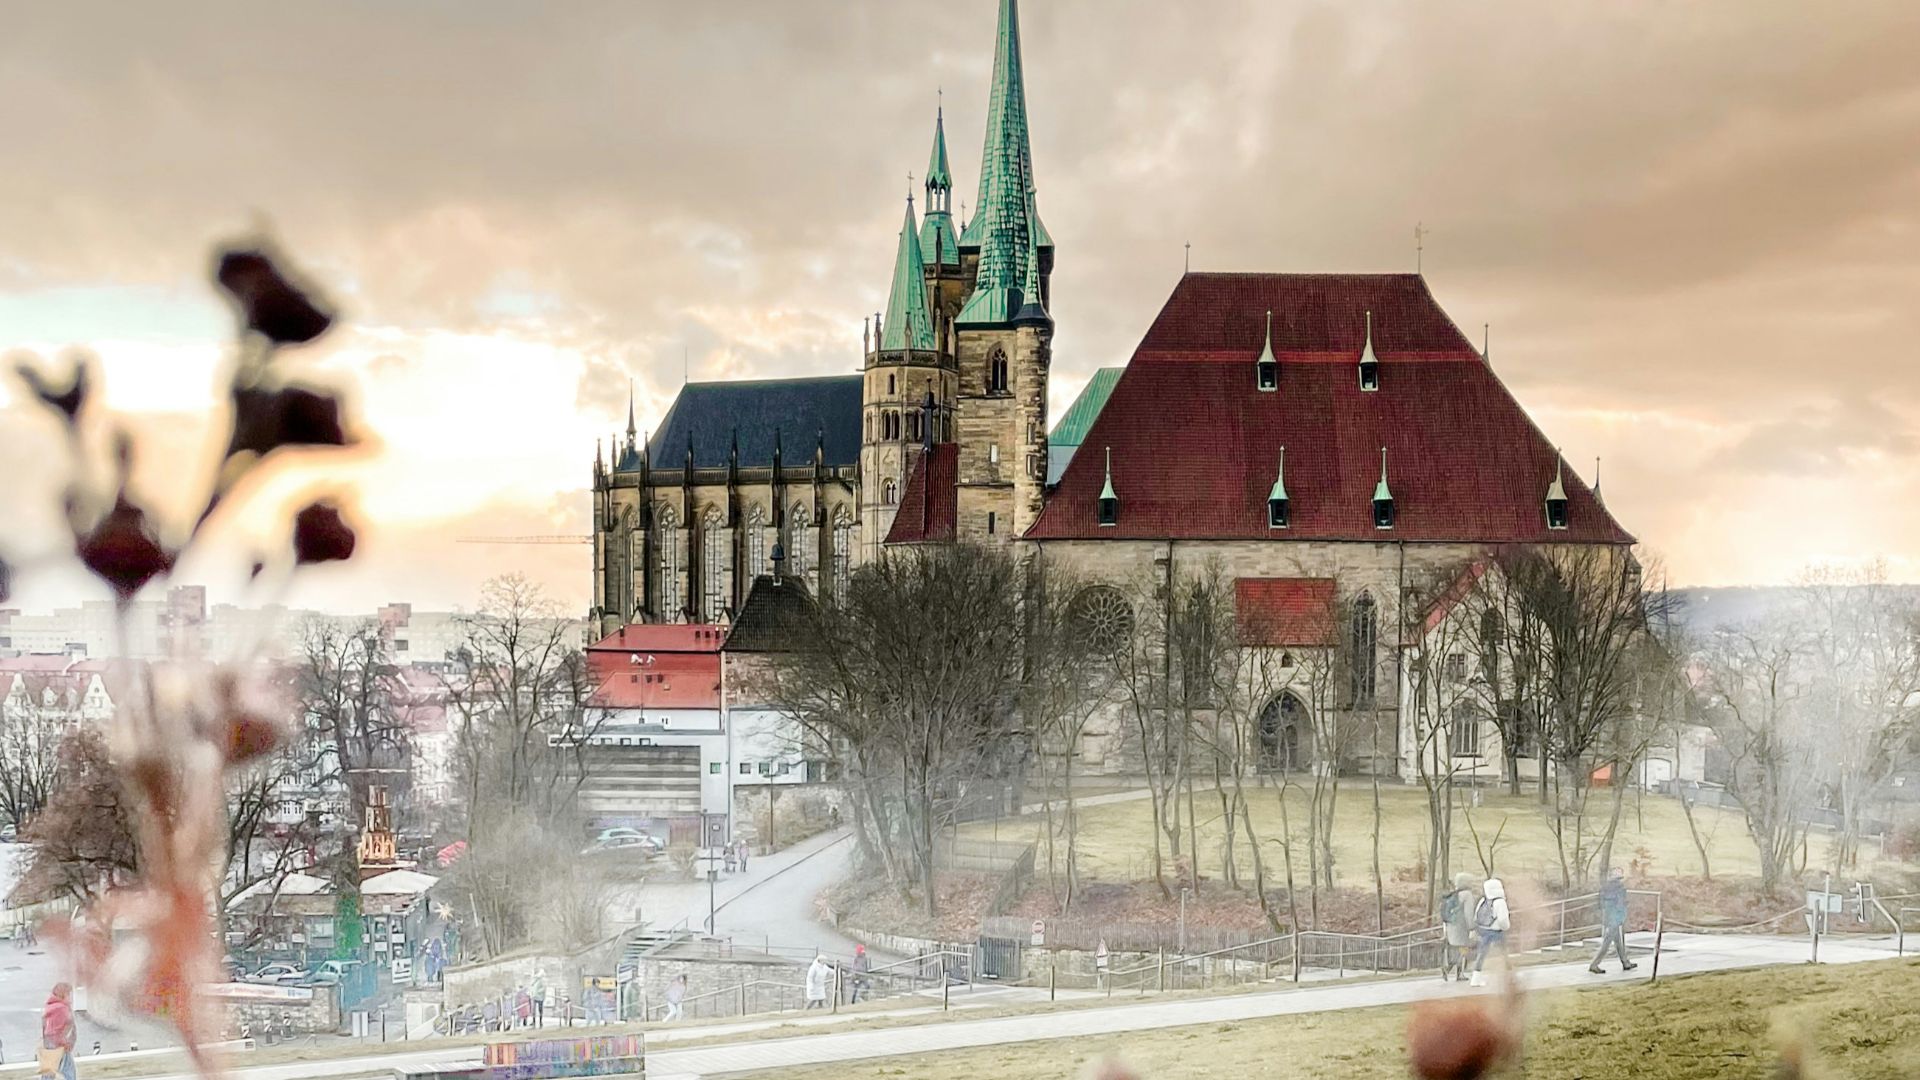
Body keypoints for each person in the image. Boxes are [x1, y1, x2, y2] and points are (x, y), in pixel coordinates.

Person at [1589, 867, 1638, 974]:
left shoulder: (1605, 887)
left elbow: (1601, 904)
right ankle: (1594, 964)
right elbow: (1620, 905)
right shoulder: (1620, 888)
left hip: (1608, 918)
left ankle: (1625, 962)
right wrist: (1621, 918)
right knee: (1607, 943)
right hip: (1615, 919)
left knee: (1618, 942)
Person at [1468, 877, 1511, 987]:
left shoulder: (1483, 900)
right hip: (1496, 931)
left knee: (1482, 954)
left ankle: (1476, 978)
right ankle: (1508, 977)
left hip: (1483, 930)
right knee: (1503, 954)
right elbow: (1503, 920)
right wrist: (1506, 927)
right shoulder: (1500, 902)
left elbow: (1476, 915)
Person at [1438, 873, 1476, 983]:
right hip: (1461, 927)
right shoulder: (1467, 895)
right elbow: (1469, 913)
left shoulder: (1454, 894)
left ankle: (1451, 969)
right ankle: (1455, 970)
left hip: (1451, 925)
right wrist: (1472, 927)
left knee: (1459, 950)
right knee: (1463, 949)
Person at [41, 982, 77, 1080]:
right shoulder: (61, 1009)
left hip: (50, 1045)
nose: (71, 998)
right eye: (69, 994)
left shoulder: (51, 1007)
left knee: (49, 1071)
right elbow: (55, 1031)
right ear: (63, 995)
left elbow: (46, 1029)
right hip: (60, 1046)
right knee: (68, 1071)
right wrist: (64, 1042)